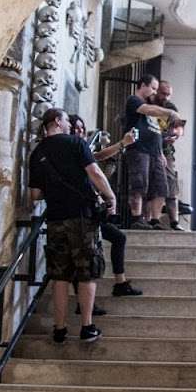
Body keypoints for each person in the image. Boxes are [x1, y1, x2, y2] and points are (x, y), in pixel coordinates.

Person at [28, 108, 117, 344]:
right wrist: (110, 196)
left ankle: (60, 329)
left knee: (60, 275)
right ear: (57, 121)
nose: (69, 124)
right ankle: (87, 327)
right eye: (67, 120)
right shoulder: (76, 143)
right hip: (81, 216)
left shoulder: (37, 153)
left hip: (55, 219)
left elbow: (35, 194)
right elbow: (95, 172)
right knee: (87, 271)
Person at [70, 115, 145, 309]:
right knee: (83, 257)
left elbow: (98, 157)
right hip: (78, 212)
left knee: (118, 238)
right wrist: (122, 143)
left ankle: (120, 283)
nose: (79, 131)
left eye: (81, 128)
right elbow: (99, 159)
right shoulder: (71, 150)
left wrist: (122, 144)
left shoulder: (81, 148)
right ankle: (84, 303)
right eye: (75, 128)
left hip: (89, 211)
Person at [121, 75, 181, 229]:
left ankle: (155, 220)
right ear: (143, 85)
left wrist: (161, 152)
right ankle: (137, 218)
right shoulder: (134, 100)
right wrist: (168, 112)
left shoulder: (159, 107)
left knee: (161, 187)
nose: (155, 92)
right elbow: (147, 110)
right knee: (140, 185)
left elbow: (159, 132)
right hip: (139, 149)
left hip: (156, 151)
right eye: (153, 88)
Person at [150, 80, 187, 230]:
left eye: (168, 95)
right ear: (156, 91)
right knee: (153, 187)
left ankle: (174, 222)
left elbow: (180, 128)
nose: (165, 97)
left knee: (171, 186)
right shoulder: (148, 106)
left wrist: (175, 135)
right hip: (150, 150)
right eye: (163, 93)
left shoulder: (171, 108)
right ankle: (152, 221)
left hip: (167, 151)